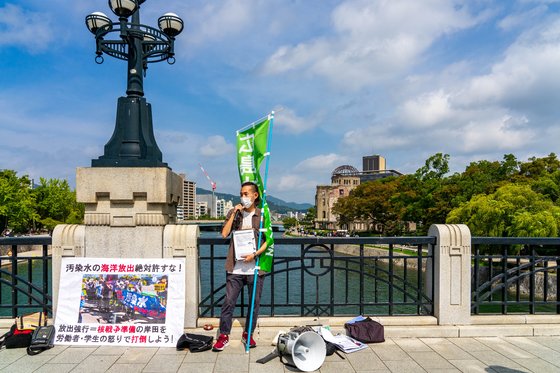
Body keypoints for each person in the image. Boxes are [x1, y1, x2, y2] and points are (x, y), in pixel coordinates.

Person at [212, 181, 268, 352]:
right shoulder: (234, 212)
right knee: (228, 301)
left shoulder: (262, 215)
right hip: (235, 267)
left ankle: (248, 334)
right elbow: (224, 234)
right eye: (241, 194)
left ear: (255, 195)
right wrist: (235, 212)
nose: (243, 197)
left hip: (255, 267)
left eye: (246, 194)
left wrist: (255, 254)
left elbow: (268, 242)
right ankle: (223, 335)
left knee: (254, 303)